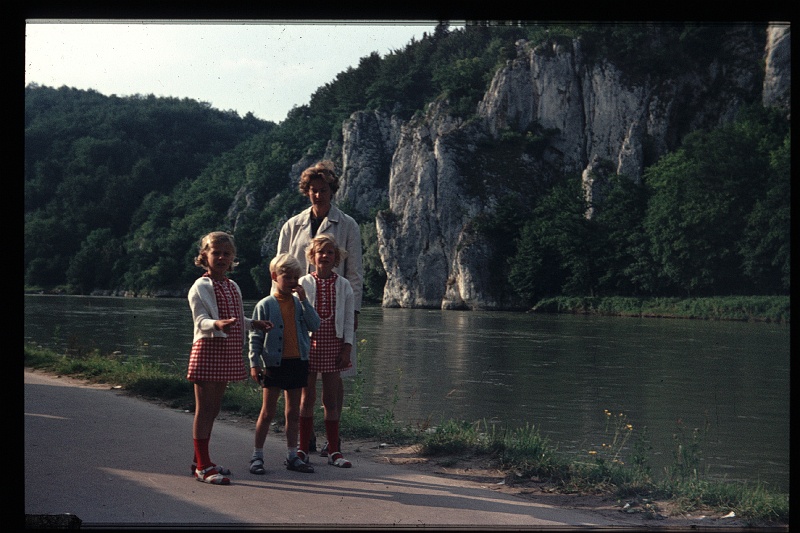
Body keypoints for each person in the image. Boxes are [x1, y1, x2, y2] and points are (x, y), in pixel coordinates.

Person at [277, 160, 363, 456]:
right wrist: (278, 309)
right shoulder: (292, 225)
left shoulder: (348, 225)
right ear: (306, 192)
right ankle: (306, 437)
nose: (318, 195)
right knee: (304, 377)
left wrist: (354, 314)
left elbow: (355, 273)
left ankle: (332, 440)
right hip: (297, 308)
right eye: (312, 190)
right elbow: (280, 268)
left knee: (334, 378)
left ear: (332, 191)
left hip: (337, 310)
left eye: (323, 190)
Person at [187, 231, 273, 485]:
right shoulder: (200, 286)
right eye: (216, 253)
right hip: (208, 350)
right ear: (205, 256)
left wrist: (253, 323)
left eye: (227, 253)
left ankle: (199, 461)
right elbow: (201, 321)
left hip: (227, 352)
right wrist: (217, 324)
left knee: (214, 409)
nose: (222, 257)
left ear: (233, 257)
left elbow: (235, 318)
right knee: (204, 410)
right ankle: (203, 467)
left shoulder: (232, 285)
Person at [248, 253, 321, 475]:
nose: (291, 281)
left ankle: (292, 455)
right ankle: (257, 455)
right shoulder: (265, 304)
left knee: (293, 412)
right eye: (286, 277)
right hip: (274, 364)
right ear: (274, 276)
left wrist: (305, 300)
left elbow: (314, 324)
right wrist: (254, 362)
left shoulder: (299, 305)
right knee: (267, 412)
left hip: (297, 362)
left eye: (294, 277)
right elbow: (255, 336)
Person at [298, 235, 355, 468]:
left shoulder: (343, 285)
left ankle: (333, 450)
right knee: (306, 397)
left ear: (336, 258)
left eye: (330, 252)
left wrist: (347, 348)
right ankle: (302, 448)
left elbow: (349, 319)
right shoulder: (303, 283)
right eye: (320, 252)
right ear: (312, 256)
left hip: (334, 342)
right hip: (308, 345)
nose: (325, 256)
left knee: (330, 399)